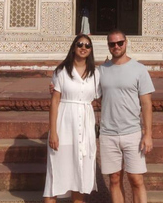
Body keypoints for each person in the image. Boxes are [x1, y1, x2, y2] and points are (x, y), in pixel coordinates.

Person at [98, 31, 155, 203]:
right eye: (112, 44)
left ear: (126, 42)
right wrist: (56, 89)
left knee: (136, 179)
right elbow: (83, 90)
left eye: (119, 43)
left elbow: (146, 104)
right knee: (114, 179)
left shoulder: (139, 69)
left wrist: (148, 134)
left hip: (132, 132)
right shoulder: (101, 70)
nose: (116, 46)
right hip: (108, 132)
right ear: (108, 45)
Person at [43, 34, 100, 203]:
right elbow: (54, 102)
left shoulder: (96, 74)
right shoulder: (61, 72)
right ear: (74, 47)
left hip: (85, 129)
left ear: (90, 50)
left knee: (80, 177)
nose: (83, 48)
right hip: (64, 127)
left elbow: (107, 94)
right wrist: (53, 132)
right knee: (55, 177)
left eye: (87, 46)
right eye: (80, 44)